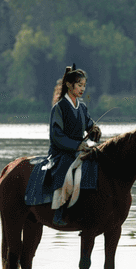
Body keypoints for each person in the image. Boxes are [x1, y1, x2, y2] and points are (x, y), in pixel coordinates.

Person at [47, 64, 101, 226]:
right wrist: (77, 146)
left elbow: (89, 124)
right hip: (61, 152)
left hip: (78, 150)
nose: (82, 89)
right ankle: (59, 209)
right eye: (79, 85)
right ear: (70, 85)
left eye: (84, 85)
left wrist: (95, 130)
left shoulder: (82, 107)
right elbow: (56, 136)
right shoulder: (59, 107)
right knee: (65, 168)